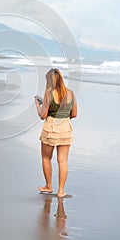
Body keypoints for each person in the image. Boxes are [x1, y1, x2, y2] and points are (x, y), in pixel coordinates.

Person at [35, 68, 77, 197]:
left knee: (46, 158)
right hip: (65, 127)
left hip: (51, 128)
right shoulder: (70, 93)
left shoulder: (49, 94)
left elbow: (43, 115)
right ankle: (61, 191)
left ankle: (48, 186)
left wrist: (37, 104)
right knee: (62, 161)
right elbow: (74, 114)